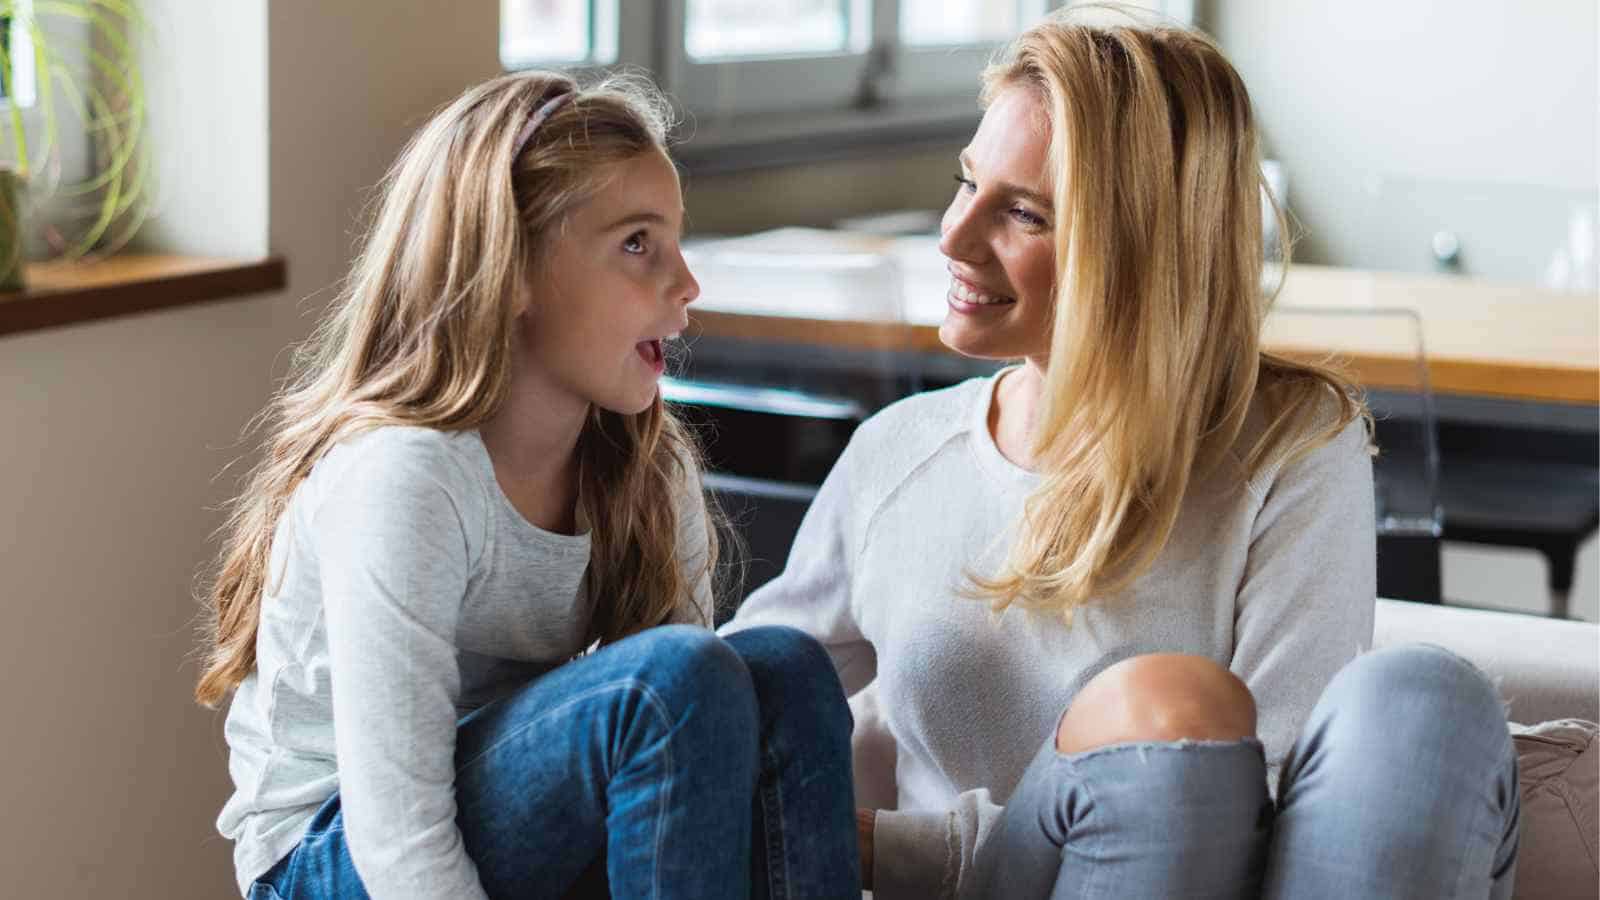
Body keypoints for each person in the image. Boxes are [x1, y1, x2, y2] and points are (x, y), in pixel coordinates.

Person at [723, 10, 1519, 899]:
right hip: (992, 881)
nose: (952, 236)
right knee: (1168, 719)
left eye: (1022, 213)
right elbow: (723, 707)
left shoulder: (1290, 451)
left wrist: (895, 847)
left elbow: (1278, 818)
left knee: (1423, 697)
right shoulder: (898, 453)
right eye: (966, 182)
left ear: (1137, 249)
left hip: (1189, 874)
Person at [194, 72, 859, 900]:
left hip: (502, 832)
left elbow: (698, 783)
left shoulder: (648, 469)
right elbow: (399, 840)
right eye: (638, 244)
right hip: (334, 856)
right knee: (666, 686)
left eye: (675, 242)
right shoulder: (406, 477)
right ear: (510, 270)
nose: (687, 283)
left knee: (783, 669)